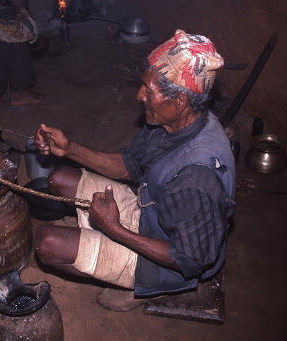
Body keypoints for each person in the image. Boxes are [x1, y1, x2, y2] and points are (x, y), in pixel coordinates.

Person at [34, 29, 236, 312]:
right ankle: (104, 247)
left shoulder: (197, 179)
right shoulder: (171, 123)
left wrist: (114, 230)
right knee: (58, 178)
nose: (140, 96)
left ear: (179, 102)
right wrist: (69, 149)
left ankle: (152, 287)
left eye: (149, 91)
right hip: (152, 210)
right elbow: (129, 165)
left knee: (46, 244)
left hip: (171, 262)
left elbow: (189, 259)